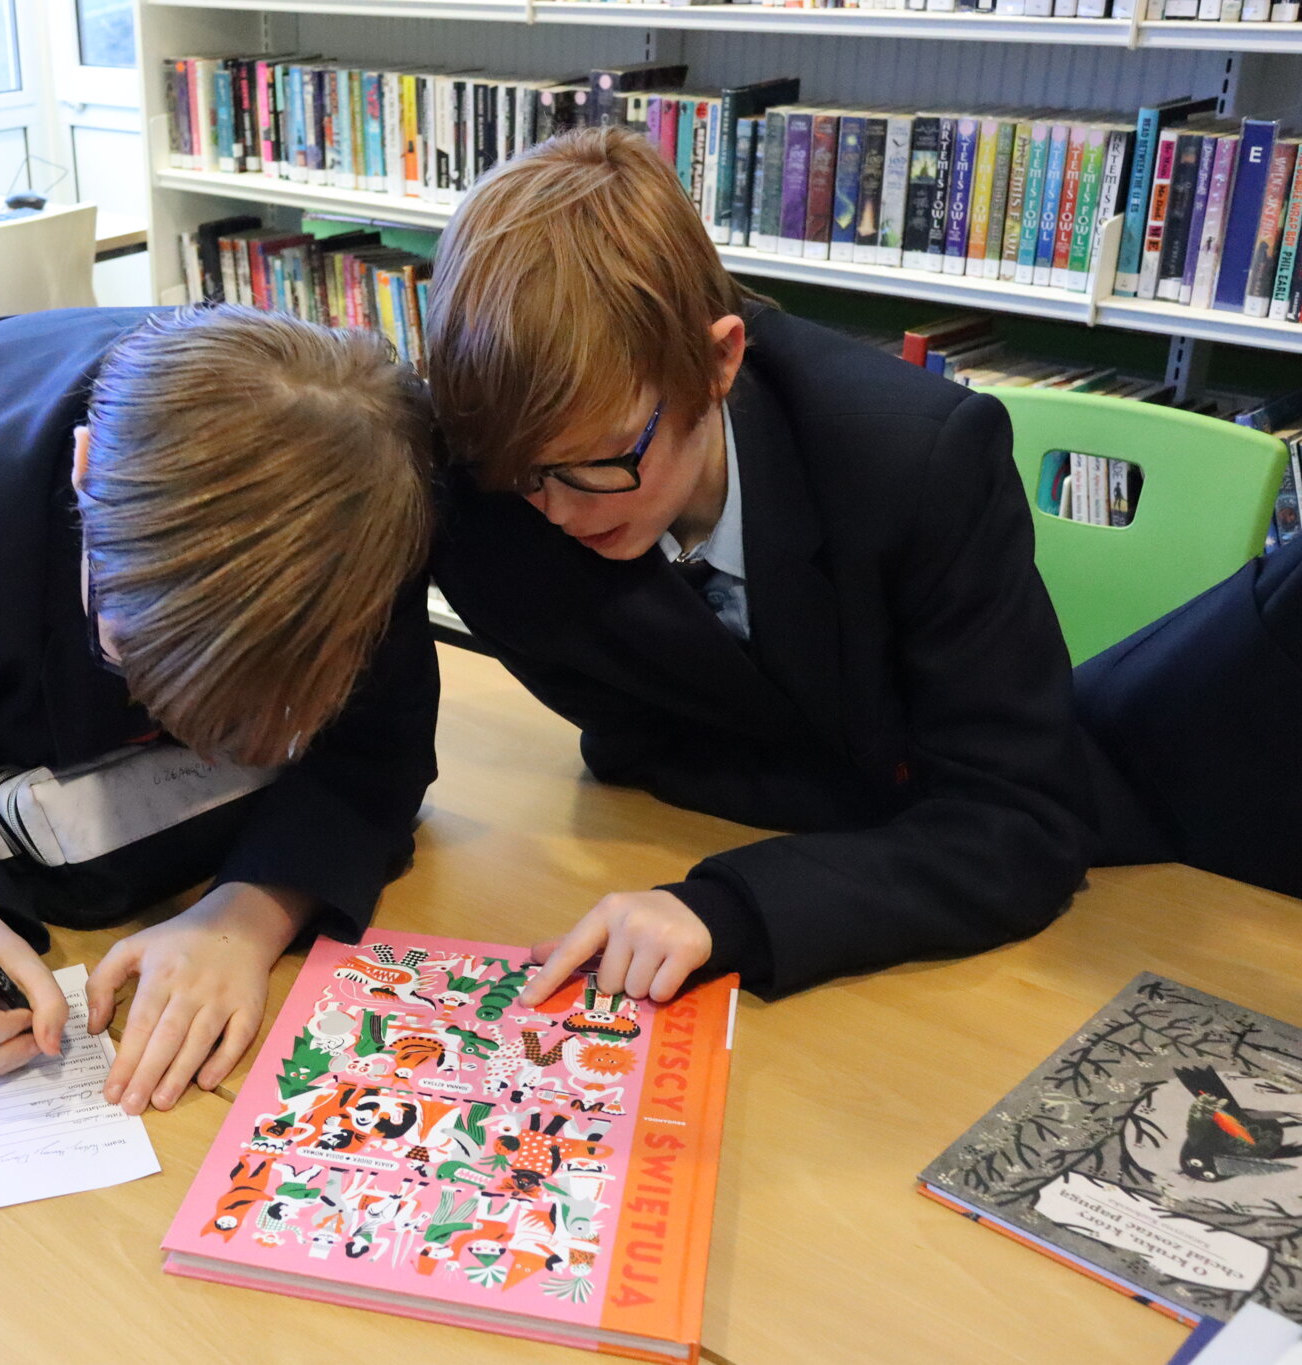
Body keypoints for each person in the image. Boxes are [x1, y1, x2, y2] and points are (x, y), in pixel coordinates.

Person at [423, 127, 1302, 1006]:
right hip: (702, 837)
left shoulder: (915, 461)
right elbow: (642, 744)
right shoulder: (486, 487)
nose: (562, 510)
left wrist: (731, 908)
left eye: (600, 461)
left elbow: (1022, 824)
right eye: (526, 476)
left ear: (720, 359)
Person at [0, 305, 438, 1113]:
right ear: (85, 467)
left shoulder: (373, 494)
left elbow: (381, 747)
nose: (181, 734)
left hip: (81, 559)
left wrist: (245, 917)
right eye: (139, 662)